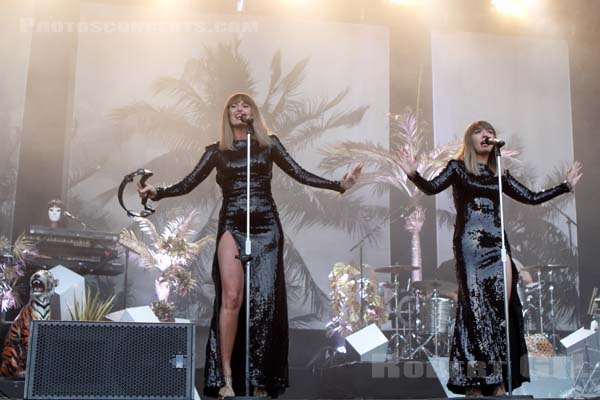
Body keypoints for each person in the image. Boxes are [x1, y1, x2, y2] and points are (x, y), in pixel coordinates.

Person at [138, 93, 362, 398]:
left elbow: (299, 173)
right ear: (226, 114)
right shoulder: (217, 151)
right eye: (233, 105)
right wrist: (158, 192)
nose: (239, 109)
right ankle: (227, 380)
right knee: (232, 298)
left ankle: (260, 378)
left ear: (253, 112)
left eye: (244, 105)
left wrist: (338, 185)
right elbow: (188, 182)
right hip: (232, 222)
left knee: (265, 302)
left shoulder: (268, 144)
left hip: (266, 226)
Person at [396, 120, 582, 396]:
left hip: (498, 247)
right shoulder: (457, 168)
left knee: (500, 313)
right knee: (476, 313)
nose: (486, 135)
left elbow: (530, 197)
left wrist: (564, 186)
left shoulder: (499, 175)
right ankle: (476, 383)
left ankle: (498, 381)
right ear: (470, 139)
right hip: (471, 247)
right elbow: (432, 187)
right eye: (479, 131)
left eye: (491, 132)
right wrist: (414, 175)